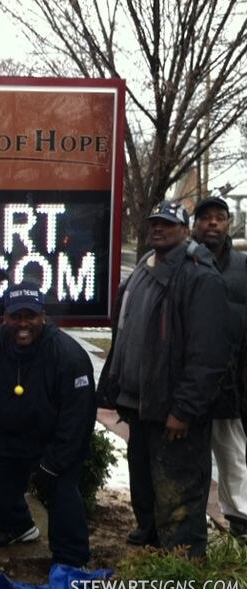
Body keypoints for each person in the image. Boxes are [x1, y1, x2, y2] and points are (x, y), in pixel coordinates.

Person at [98, 200, 231, 557]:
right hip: (140, 404)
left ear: (185, 230)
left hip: (173, 410)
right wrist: (112, 390)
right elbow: (124, 332)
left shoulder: (199, 276)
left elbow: (208, 355)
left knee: (180, 493)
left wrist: (184, 410)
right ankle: (152, 536)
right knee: (144, 482)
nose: (158, 228)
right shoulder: (144, 267)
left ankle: (183, 564)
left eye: (168, 224)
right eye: (154, 222)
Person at [0, 281, 96, 567]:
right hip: (6, 437)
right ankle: (18, 527)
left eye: (30, 316)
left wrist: (55, 461)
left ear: (43, 317)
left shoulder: (68, 355)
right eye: (16, 317)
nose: (23, 324)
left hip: (52, 442)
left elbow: (78, 417)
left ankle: (71, 561)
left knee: (62, 492)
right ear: (4, 318)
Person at [192, 195, 247, 539]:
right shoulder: (183, 259)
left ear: (228, 224)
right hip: (189, 380)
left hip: (231, 380)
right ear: (195, 224)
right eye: (206, 217)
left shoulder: (243, 266)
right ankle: (187, 522)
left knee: (232, 452)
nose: (213, 222)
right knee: (188, 457)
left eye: (220, 217)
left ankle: (240, 520)